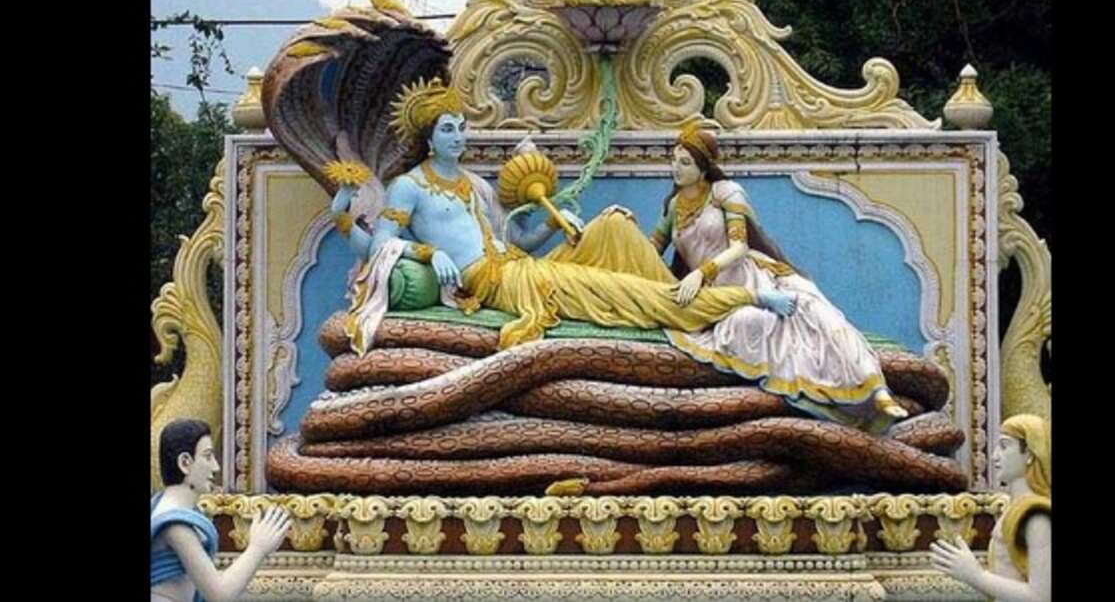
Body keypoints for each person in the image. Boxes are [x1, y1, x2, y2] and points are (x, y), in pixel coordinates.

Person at [327, 77, 797, 355]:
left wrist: (553, 225)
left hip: (520, 267)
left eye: (462, 127)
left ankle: (686, 298)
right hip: (503, 285)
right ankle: (744, 300)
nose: (458, 137)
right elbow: (379, 248)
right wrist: (421, 250)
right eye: (448, 130)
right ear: (429, 138)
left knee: (612, 225)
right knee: (620, 292)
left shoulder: (476, 184)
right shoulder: (409, 186)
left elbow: (517, 243)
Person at [652, 123, 909, 432]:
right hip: (716, 297)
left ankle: (875, 389)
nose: (676, 168)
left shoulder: (725, 193)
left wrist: (701, 272)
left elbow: (739, 247)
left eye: (684, 162)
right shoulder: (674, 207)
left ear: (703, 168)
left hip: (754, 276)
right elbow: (653, 247)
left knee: (818, 312)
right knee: (752, 325)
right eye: (674, 160)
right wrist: (622, 235)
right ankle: (834, 406)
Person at [151, 419, 292, 602]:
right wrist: (258, 548)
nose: (216, 467)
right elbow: (220, 593)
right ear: (185, 462)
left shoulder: (162, 506)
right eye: (208, 456)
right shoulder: (176, 525)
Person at [931, 414, 1051, 602]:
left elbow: (1041, 596)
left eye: (1004, 446)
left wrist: (976, 576)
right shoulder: (1014, 509)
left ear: (1029, 454)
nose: (994, 456)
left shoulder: (1036, 516)